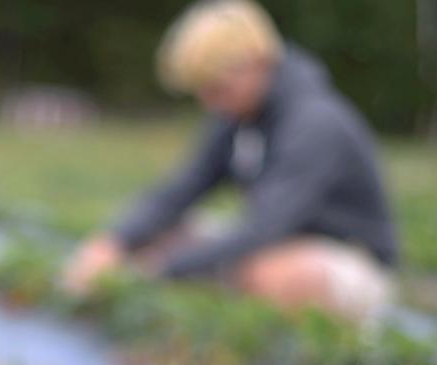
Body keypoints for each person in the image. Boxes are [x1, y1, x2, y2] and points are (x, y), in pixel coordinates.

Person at [62, 0, 398, 323]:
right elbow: (181, 190)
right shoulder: (238, 116)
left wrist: (165, 269)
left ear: (257, 63)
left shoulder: (313, 123)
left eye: (217, 88)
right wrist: (114, 242)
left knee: (267, 274)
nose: (210, 103)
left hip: (349, 259)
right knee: (160, 236)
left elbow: (265, 229)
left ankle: (278, 341)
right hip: (278, 241)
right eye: (203, 91)